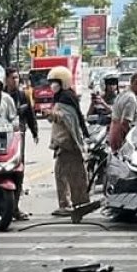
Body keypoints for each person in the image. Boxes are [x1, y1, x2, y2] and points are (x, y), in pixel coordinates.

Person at [47, 66, 98, 221]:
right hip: (63, 143)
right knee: (69, 174)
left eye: (54, 82)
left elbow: (68, 119)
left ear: (63, 82)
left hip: (67, 143)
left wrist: (53, 115)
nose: (52, 85)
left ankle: (69, 204)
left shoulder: (66, 98)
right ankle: (75, 203)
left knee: (66, 174)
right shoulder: (61, 97)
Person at [4, 67, 39, 221]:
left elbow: (30, 115)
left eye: (17, 77)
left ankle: (15, 207)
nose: (15, 80)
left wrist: (35, 132)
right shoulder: (0, 95)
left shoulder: (23, 96)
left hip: (19, 136)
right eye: (13, 77)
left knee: (18, 171)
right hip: (2, 138)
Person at [108, 71, 137, 153]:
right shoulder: (131, 99)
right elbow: (125, 123)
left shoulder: (123, 93)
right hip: (120, 136)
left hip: (113, 132)